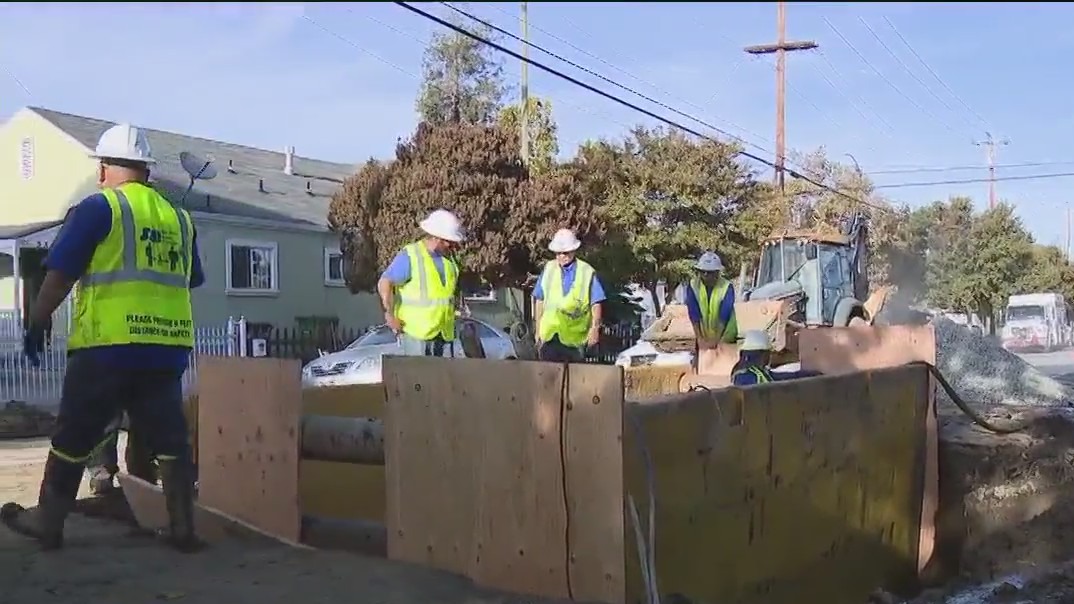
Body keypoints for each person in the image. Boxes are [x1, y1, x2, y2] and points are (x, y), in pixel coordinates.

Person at [1, 123, 205, 552]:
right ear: (147, 171)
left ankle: (48, 525)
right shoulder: (180, 219)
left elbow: (59, 275)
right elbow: (191, 279)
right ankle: (184, 529)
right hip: (166, 349)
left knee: (74, 436)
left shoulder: (99, 209)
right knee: (169, 439)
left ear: (105, 168)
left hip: (107, 347)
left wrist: (38, 321)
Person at [377, 209, 466, 358]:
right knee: (418, 380)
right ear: (438, 238)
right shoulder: (412, 255)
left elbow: (446, 295)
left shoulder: (450, 261)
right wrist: (390, 315)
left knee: (442, 381)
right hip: (416, 335)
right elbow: (385, 282)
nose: (452, 246)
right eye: (449, 242)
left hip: (444, 335)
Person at [533, 228, 606, 363]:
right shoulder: (549, 269)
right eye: (558, 253)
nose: (561, 256)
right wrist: (537, 330)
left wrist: (595, 329)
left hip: (575, 342)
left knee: (573, 381)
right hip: (549, 337)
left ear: (573, 250)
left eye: (565, 252)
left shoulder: (587, 272)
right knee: (549, 379)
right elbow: (539, 299)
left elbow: (596, 303)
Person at [731, 329, 824, 387]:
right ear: (763, 354)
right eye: (769, 354)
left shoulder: (738, 370)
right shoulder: (756, 374)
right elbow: (778, 379)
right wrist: (814, 375)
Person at [685, 251, 738, 351]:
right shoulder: (693, 285)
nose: (705, 275)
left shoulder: (726, 287)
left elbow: (724, 314)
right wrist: (699, 338)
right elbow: (694, 313)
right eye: (702, 271)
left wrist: (716, 339)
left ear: (717, 272)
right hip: (704, 334)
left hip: (725, 335)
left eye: (709, 273)